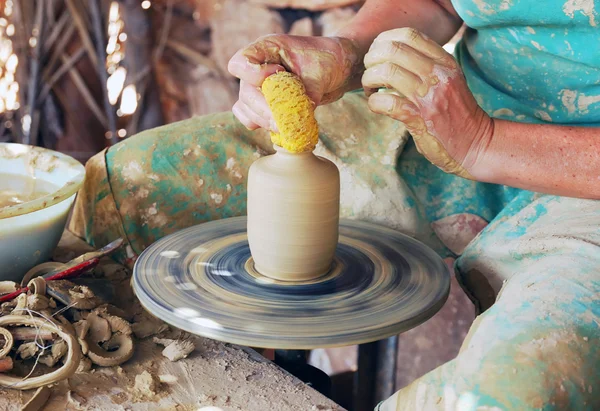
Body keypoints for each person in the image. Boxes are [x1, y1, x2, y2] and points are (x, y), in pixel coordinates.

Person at [71, 0, 599, 409]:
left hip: (579, 177)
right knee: (128, 186)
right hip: (452, 103)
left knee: (511, 392)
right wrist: (347, 52)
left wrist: (484, 143)